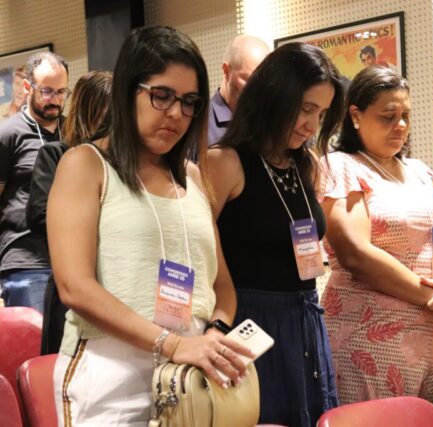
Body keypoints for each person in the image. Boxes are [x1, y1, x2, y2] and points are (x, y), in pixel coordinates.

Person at [48, 26, 251, 425]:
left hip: (188, 374)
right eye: (162, 95)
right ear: (128, 91)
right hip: (111, 373)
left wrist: (215, 330)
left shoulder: (192, 177)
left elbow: (222, 284)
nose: (176, 113)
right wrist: (170, 343)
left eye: (189, 102)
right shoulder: (86, 165)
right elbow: (74, 286)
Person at [319, 66, 433, 416]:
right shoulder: (341, 165)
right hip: (371, 337)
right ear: (355, 116)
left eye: (406, 115)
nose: (400, 125)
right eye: (388, 116)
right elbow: (356, 254)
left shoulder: (420, 172)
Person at [206, 42, 345, 427]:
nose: (312, 125)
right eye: (305, 109)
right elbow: (198, 252)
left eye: (321, 114)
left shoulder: (306, 165)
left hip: (306, 321)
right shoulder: (225, 161)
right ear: (274, 95)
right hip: (249, 323)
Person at [26, 70, 112, 355]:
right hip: (69, 283)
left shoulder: (120, 162)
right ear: (91, 110)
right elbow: (38, 215)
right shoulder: (56, 154)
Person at [0, 52, 69, 312]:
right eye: (47, 92)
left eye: (61, 92)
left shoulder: (73, 130)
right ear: (28, 87)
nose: (55, 100)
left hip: (70, 258)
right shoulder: (8, 134)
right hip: (26, 261)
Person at [208, 34, 270, 146]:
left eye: (262, 82)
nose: (257, 89)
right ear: (226, 71)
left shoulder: (265, 119)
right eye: (249, 79)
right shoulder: (200, 122)